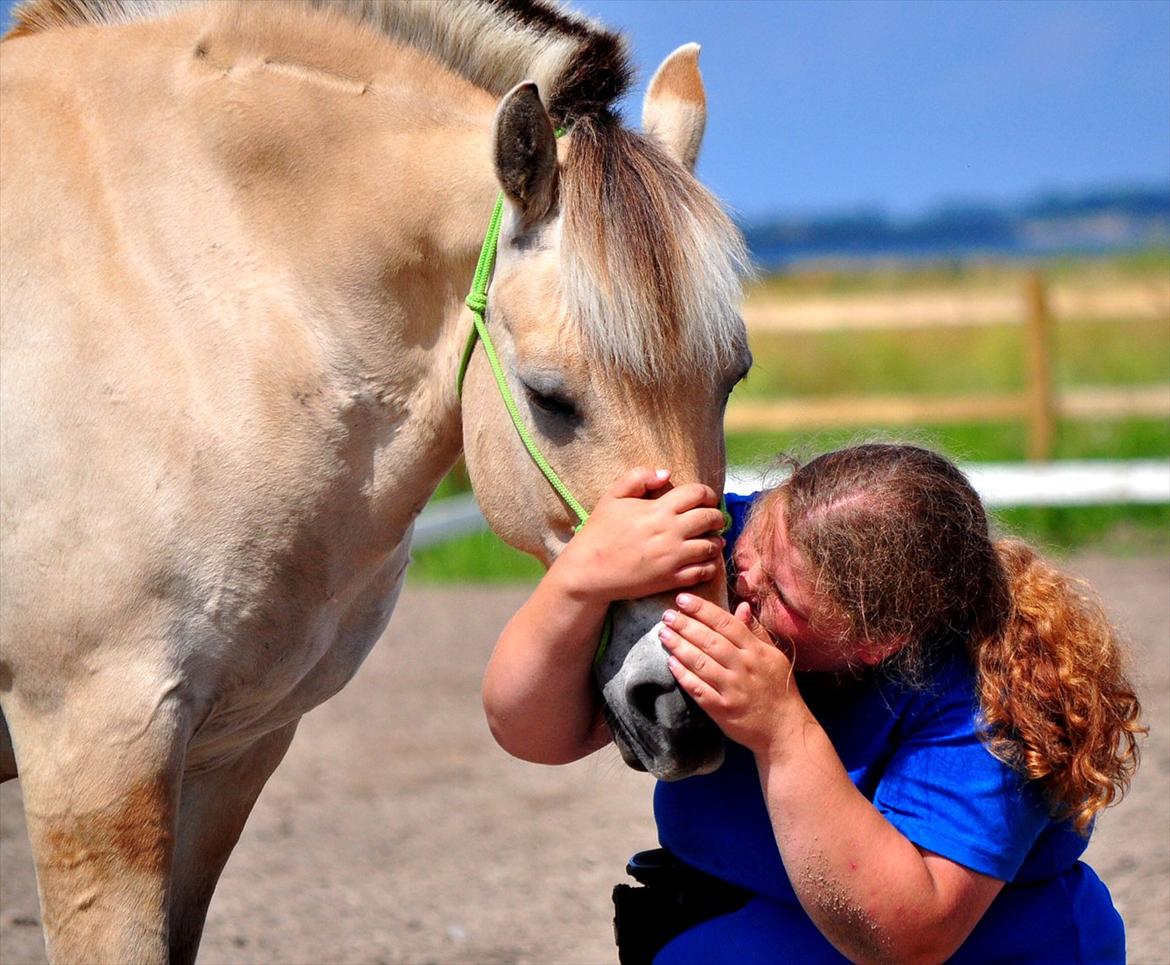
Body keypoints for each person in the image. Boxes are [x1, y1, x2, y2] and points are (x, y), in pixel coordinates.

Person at [482, 443, 1145, 964]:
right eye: (754, 544)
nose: (741, 583)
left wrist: (782, 730)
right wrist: (579, 581)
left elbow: (909, 936)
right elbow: (536, 730)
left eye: (779, 595)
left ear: (878, 641)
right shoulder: (725, 544)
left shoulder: (994, 694)